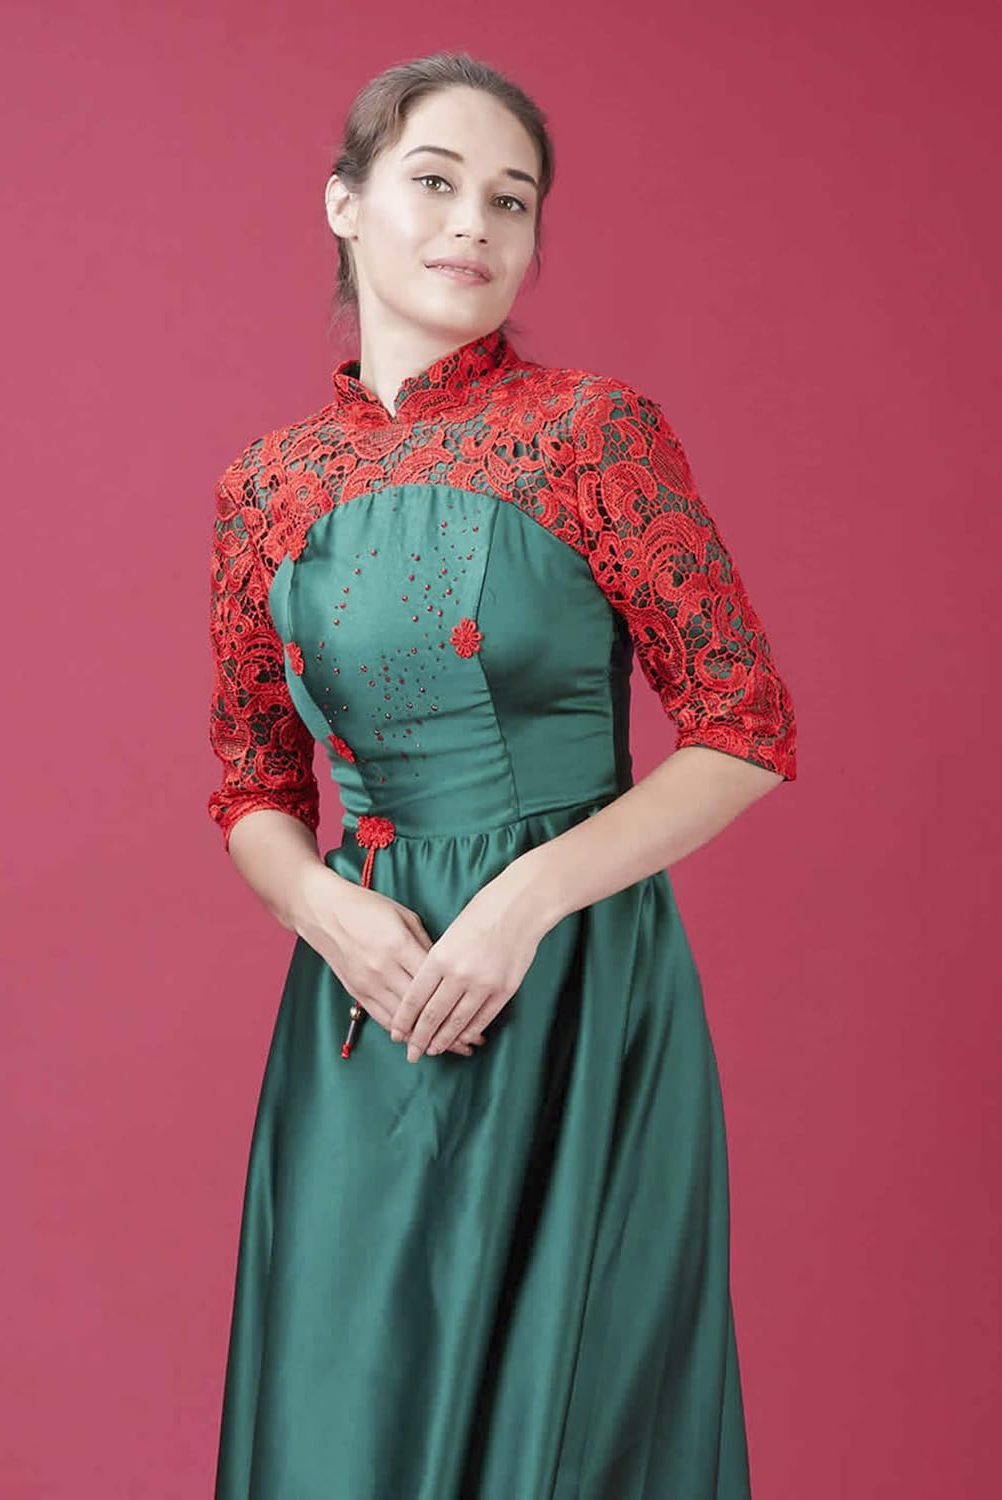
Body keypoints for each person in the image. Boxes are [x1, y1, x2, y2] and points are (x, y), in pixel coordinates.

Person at [206, 50, 796, 1500]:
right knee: (345, 1427)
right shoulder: (267, 486)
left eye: (511, 199)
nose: (475, 222)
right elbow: (251, 783)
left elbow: (744, 723)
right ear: (344, 204)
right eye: (435, 181)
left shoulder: (594, 434)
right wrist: (326, 913)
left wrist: (527, 901)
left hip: (572, 984)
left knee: (572, 1427)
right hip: (367, 999)